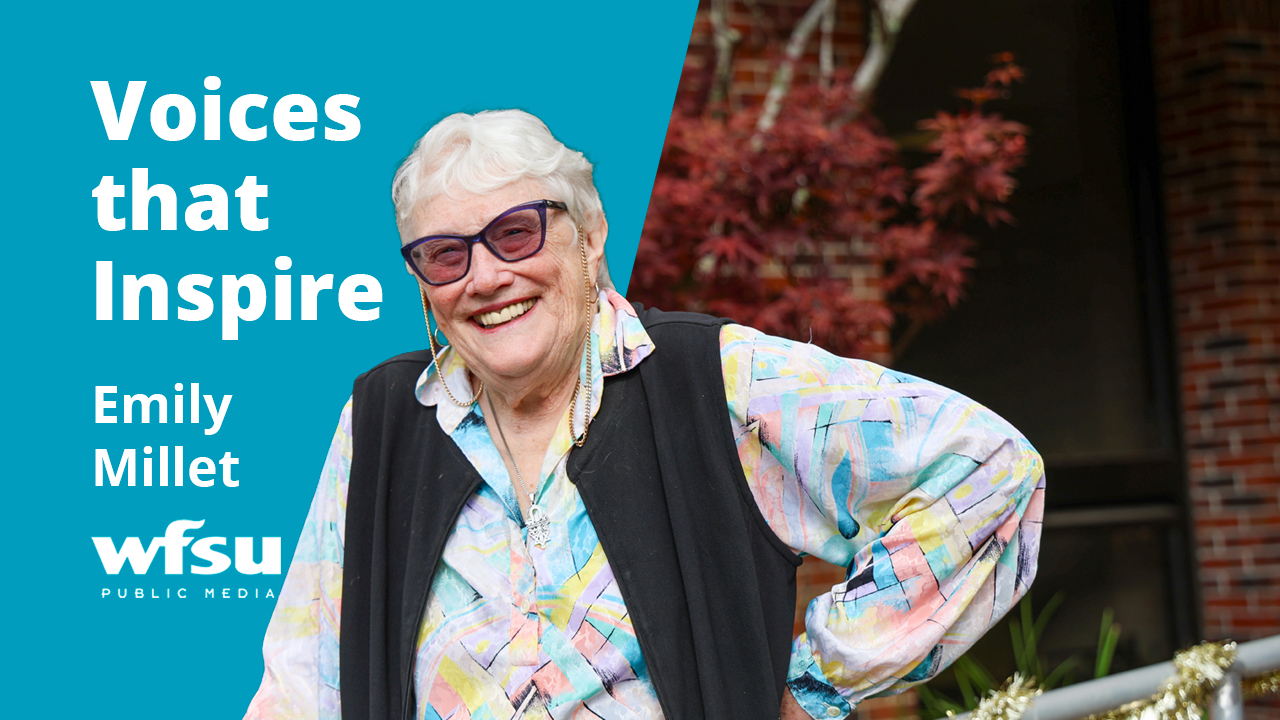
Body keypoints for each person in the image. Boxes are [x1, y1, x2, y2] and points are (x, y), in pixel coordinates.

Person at [245, 109, 1045, 720]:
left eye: (516, 234)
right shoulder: (382, 424)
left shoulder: (715, 381)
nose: (484, 277)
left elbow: (990, 473)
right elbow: (300, 679)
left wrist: (812, 688)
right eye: (446, 254)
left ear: (589, 235)